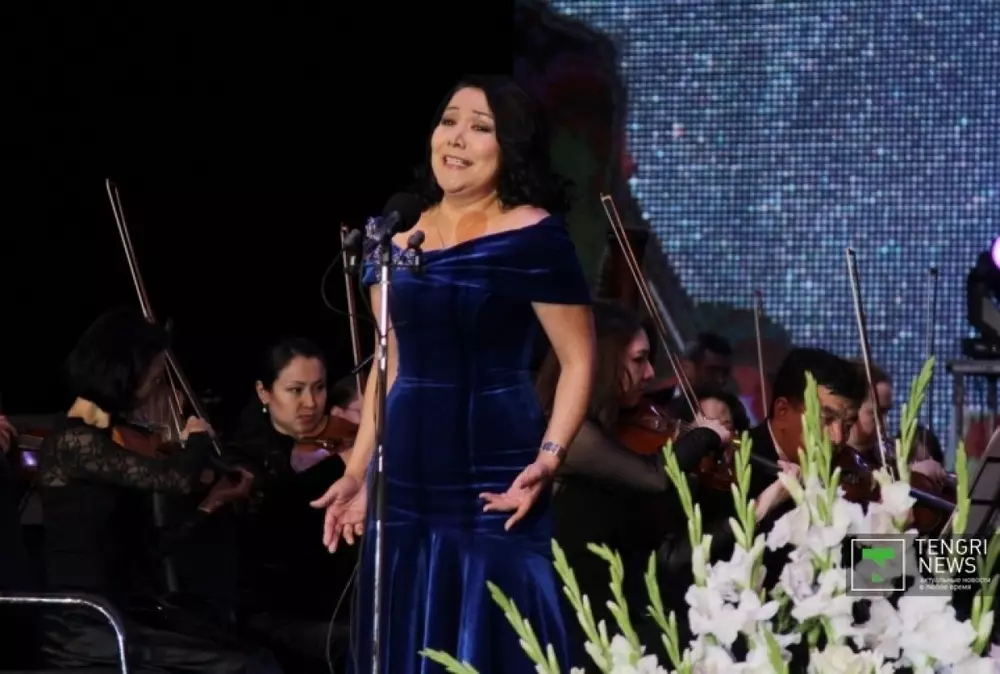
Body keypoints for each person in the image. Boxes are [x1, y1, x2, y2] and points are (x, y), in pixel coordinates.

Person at [312, 75, 596, 673]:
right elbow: (388, 365)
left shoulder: (532, 234)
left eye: (480, 127)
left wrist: (549, 458)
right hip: (408, 476)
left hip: (496, 468)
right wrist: (358, 473)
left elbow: (578, 359)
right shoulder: (394, 241)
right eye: (449, 121)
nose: (457, 138)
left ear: (509, 147)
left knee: (496, 625)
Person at [36, 308, 277, 673]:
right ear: (124, 373)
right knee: (242, 667)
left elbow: (151, 551)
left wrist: (211, 504)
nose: (156, 390)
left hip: (128, 611)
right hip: (86, 624)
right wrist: (197, 437)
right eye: (155, 378)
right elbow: (177, 479)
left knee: (254, 654)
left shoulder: (106, 438)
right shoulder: (72, 442)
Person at [538, 301, 731, 667]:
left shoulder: (613, 429)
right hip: (580, 613)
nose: (651, 373)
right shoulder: (571, 434)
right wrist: (703, 435)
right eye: (639, 360)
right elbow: (656, 479)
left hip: (621, 605)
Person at [228, 338, 357, 670]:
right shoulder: (245, 457)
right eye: (296, 390)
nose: (311, 403)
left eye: (319, 388)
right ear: (264, 392)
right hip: (281, 608)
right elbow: (271, 531)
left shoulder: (346, 442)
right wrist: (341, 467)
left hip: (347, 595)